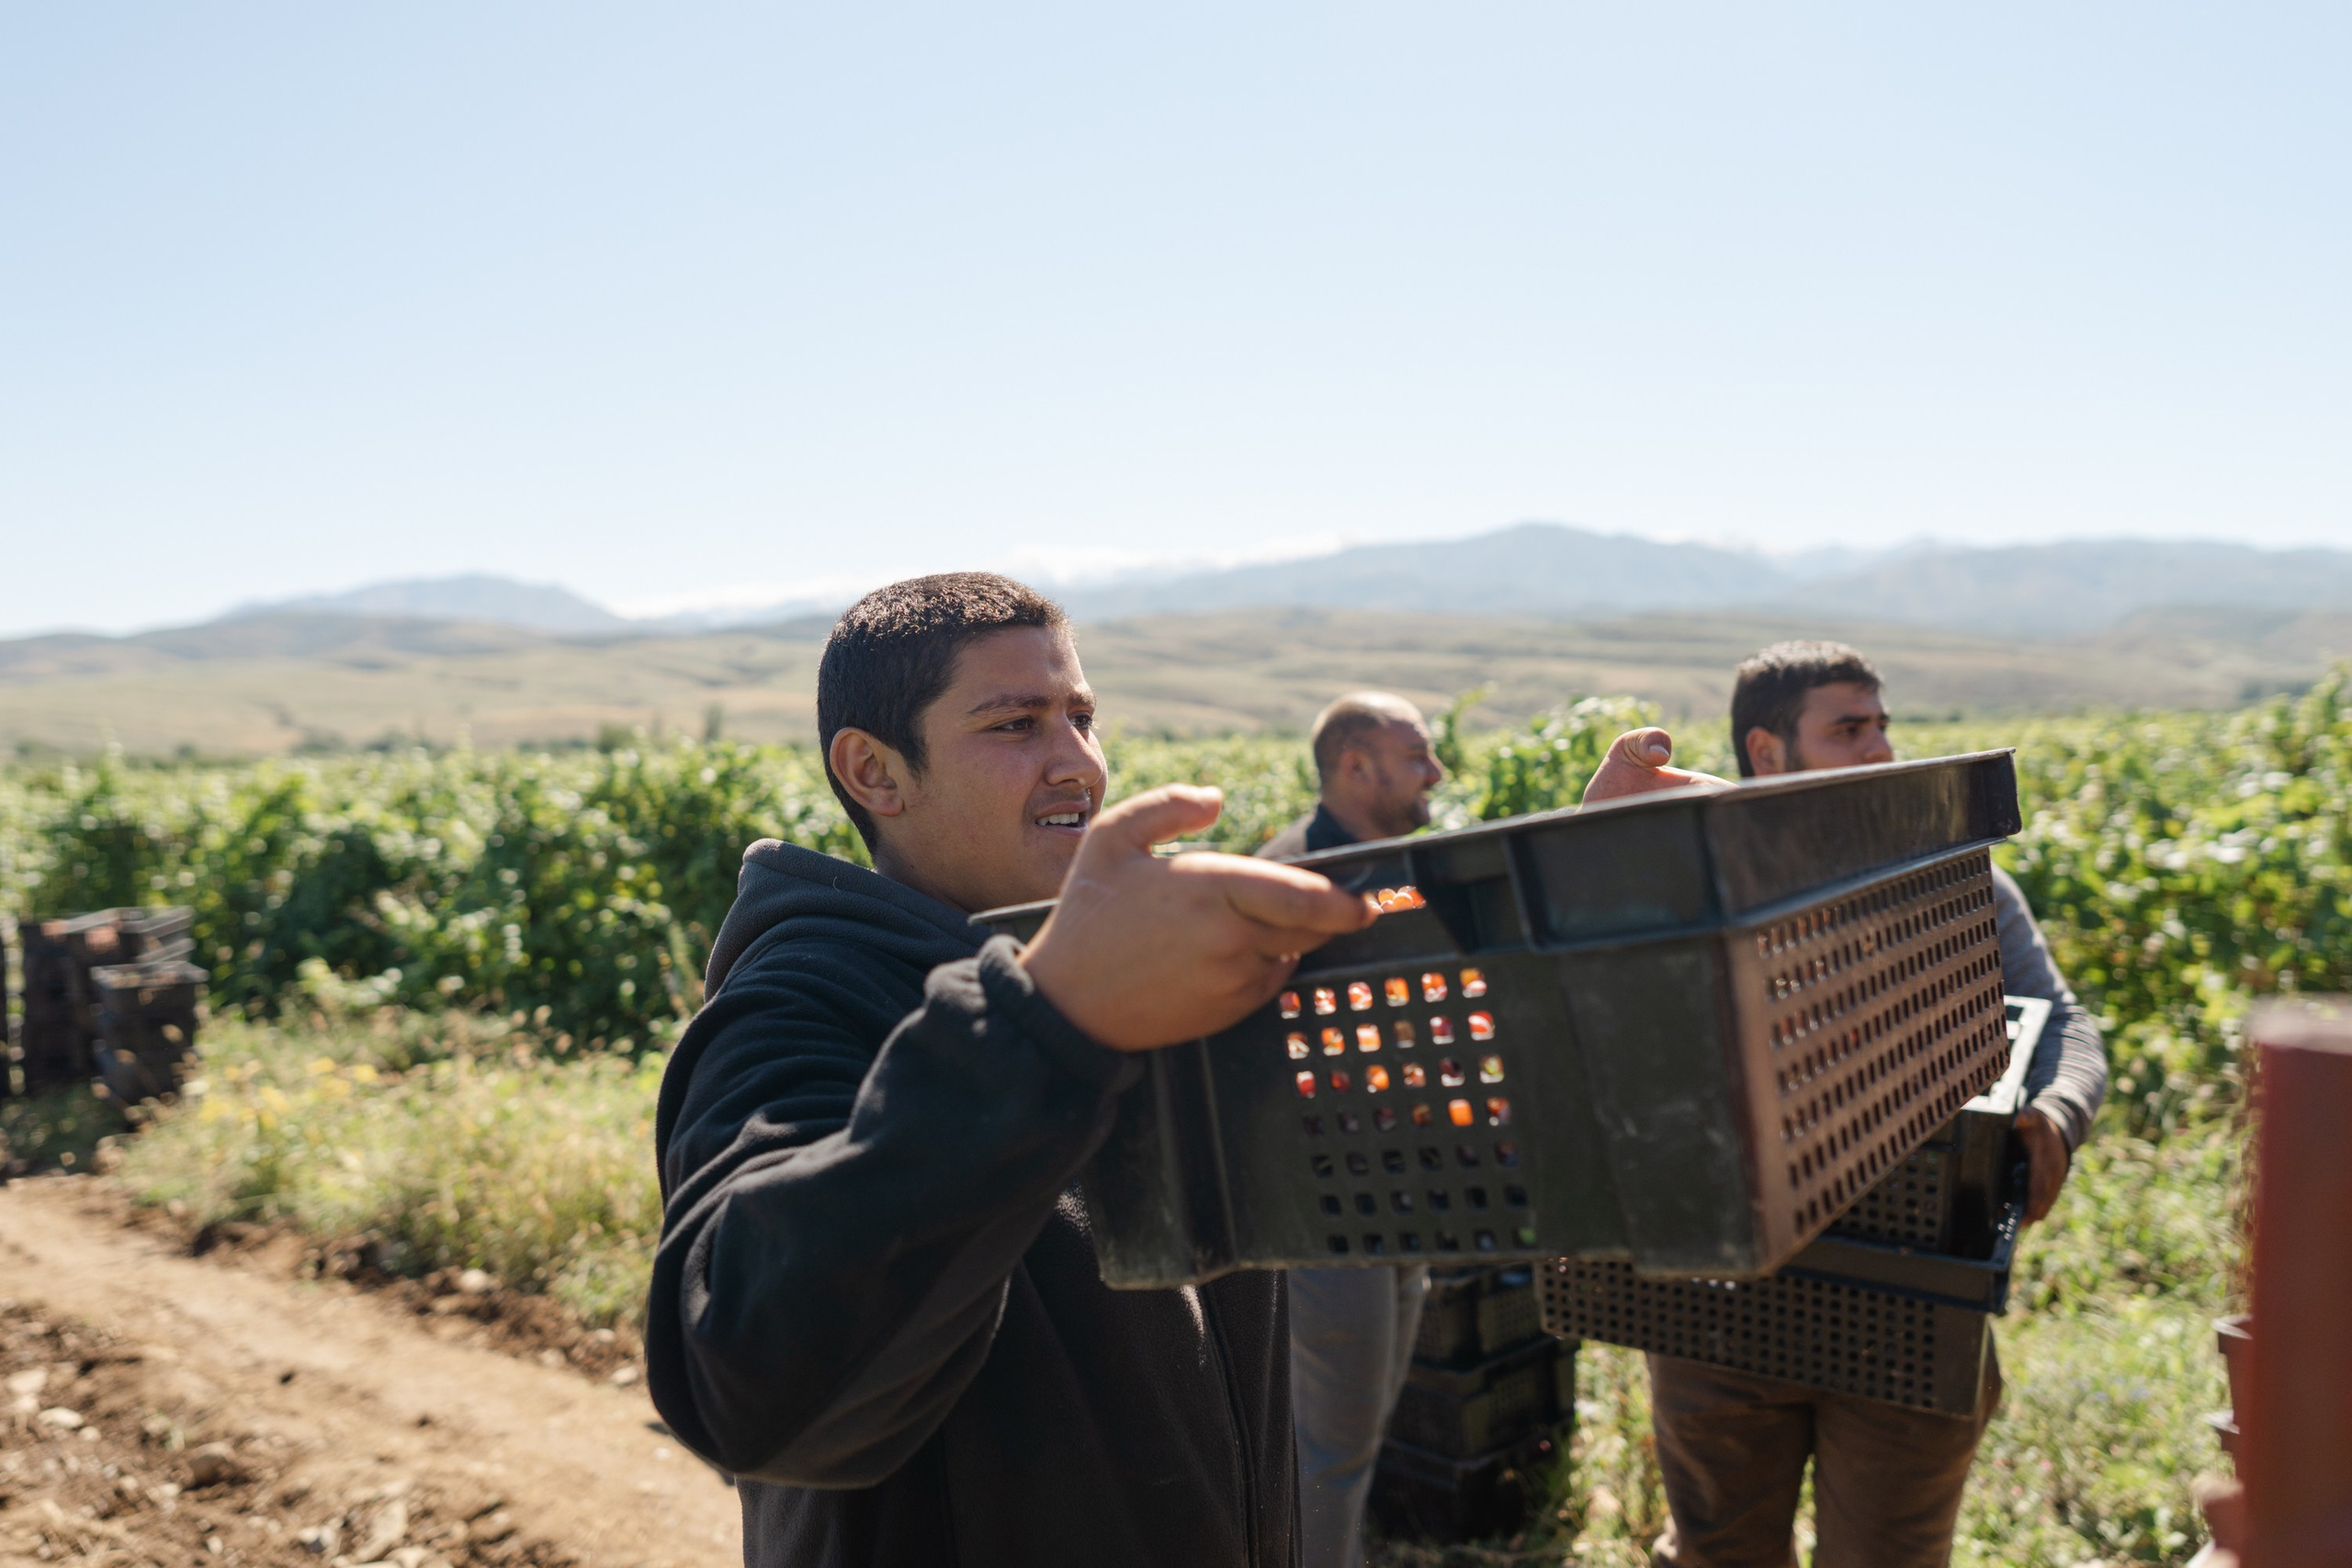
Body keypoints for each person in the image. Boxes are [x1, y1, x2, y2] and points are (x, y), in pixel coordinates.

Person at [644, 573, 1380, 1568]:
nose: (1077, 761)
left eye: (1081, 716)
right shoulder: (797, 1008)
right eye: (1015, 725)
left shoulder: (1107, 979)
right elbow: (751, 1391)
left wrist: (1614, 868)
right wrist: (1044, 1028)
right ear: (875, 773)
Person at [1580, 640, 2108, 1568]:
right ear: (1767, 752)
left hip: (1911, 1289)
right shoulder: (1690, 883)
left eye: (1881, 727)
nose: (1879, 750)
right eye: (1847, 729)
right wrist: (1600, 845)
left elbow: (2059, 1019)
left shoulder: (1959, 880)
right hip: (1720, 1300)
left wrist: (2055, 1109)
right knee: (1719, 1550)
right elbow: (1581, 996)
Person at [1257, 693, 1447, 1568]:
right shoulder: (1291, 882)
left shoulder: (1400, 867)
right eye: (1418, 756)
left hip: (1402, 1189)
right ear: (1355, 767)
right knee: (1328, 1449)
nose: (1437, 772)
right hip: (1329, 1207)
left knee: (1355, 1430)